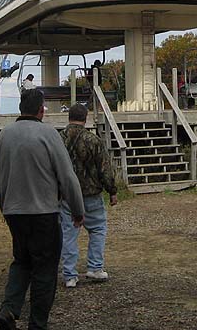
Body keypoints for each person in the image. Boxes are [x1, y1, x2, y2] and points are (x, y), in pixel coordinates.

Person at [0, 89, 85, 330]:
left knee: (21, 261)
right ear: (41, 109)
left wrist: (5, 206)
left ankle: (9, 309)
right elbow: (67, 176)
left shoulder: (4, 135)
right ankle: (37, 323)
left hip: (14, 212)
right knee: (45, 268)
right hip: (44, 213)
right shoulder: (48, 134)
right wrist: (77, 209)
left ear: (21, 107)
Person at [59, 103, 118, 289]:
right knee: (98, 228)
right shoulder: (93, 141)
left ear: (69, 117)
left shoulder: (58, 139)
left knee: (68, 234)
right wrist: (112, 190)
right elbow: (104, 169)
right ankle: (95, 267)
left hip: (67, 195)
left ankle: (69, 275)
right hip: (91, 193)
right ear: (86, 118)